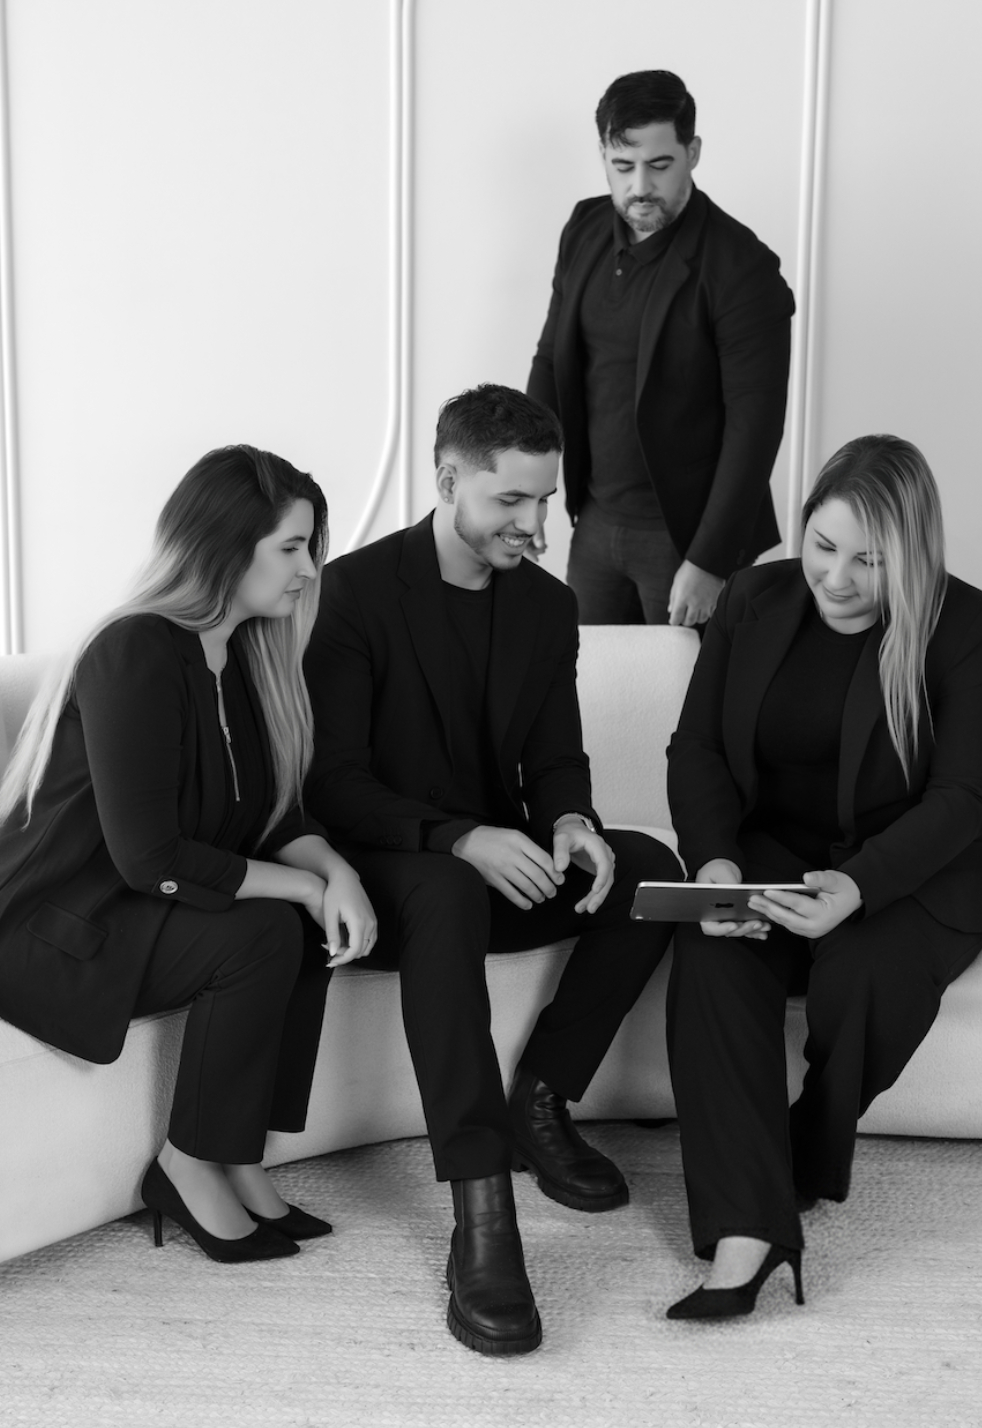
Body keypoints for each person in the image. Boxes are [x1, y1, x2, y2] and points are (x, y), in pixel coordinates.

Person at [304, 384, 681, 1355]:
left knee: (646, 865)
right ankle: (481, 1211)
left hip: (500, 865)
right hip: (400, 869)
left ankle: (541, 1097)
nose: (535, 524)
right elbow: (334, 781)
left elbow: (556, 754)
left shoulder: (548, 607)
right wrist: (458, 838)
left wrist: (570, 822)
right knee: (443, 889)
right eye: (511, 501)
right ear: (448, 480)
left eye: (545, 501)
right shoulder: (352, 592)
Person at [0, 446, 377, 1264]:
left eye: (313, 547)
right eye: (290, 547)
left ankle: (235, 1156)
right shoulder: (135, 650)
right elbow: (149, 857)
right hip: (61, 926)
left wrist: (335, 875)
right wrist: (302, 889)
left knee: (297, 917)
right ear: (222, 544)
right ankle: (187, 1164)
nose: (310, 569)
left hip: (138, 906)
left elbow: (270, 814)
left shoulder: (241, 658)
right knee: (265, 930)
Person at [664, 434, 982, 1319]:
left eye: (868, 560)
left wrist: (857, 886)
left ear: (911, 556)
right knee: (714, 957)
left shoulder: (964, 631)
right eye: (823, 545)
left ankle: (807, 1150)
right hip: (769, 848)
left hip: (914, 861)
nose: (836, 578)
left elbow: (963, 797)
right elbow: (696, 749)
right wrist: (715, 861)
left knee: (865, 973)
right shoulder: (756, 598)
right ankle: (748, 1233)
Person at [527, 69, 794, 627]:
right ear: (603, 154)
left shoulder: (742, 268)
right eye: (622, 167)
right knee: (589, 694)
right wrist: (524, 492)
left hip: (687, 538)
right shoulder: (584, 226)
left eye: (660, 164)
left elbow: (756, 426)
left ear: (692, 152)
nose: (639, 186)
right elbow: (552, 361)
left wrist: (709, 560)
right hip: (595, 523)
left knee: (687, 706)